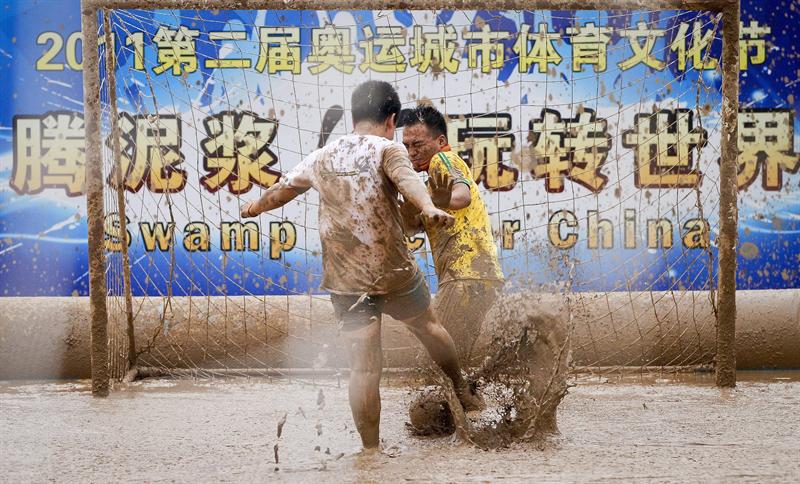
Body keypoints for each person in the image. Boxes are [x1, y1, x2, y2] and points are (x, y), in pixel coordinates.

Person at [240, 81, 480, 450]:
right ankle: (461, 388)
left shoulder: (323, 156)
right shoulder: (388, 148)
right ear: (391, 118)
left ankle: (370, 452)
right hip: (393, 271)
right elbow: (408, 181)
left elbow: (284, 189)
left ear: (354, 117)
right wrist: (430, 208)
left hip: (347, 280)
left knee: (365, 370)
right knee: (430, 327)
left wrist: (255, 207)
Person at [400, 105, 505, 366]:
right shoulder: (428, 186)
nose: (412, 152)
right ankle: (474, 401)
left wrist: (445, 199)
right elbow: (412, 227)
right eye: (407, 145)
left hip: (464, 275)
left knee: (434, 362)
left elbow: (462, 195)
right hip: (479, 277)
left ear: (441, 141)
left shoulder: (443, 160)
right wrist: (411, 209)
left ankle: (465, 402)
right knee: (457, 361)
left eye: (418, 144)